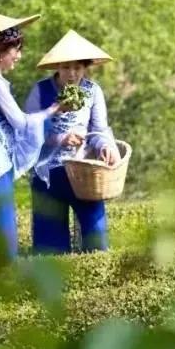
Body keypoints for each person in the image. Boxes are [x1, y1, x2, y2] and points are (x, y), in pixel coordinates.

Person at [0, 12, 61, 260]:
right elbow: (21, 123)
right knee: (2, 247)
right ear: (1, 50)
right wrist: (52, 110)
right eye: (16, 49)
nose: (19, 56)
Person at [24, 30, 120, 254]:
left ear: (85, 68)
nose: (72, 73)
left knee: (96, 240)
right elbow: (28, 133)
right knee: (50, 250)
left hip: (83, 172)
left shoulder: (93, 92)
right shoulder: (40, 91)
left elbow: (98, 130)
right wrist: (61, 138)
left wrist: (105, 146)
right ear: (58, 67)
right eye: (66, 67)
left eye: (77, 67)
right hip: (47, 173)